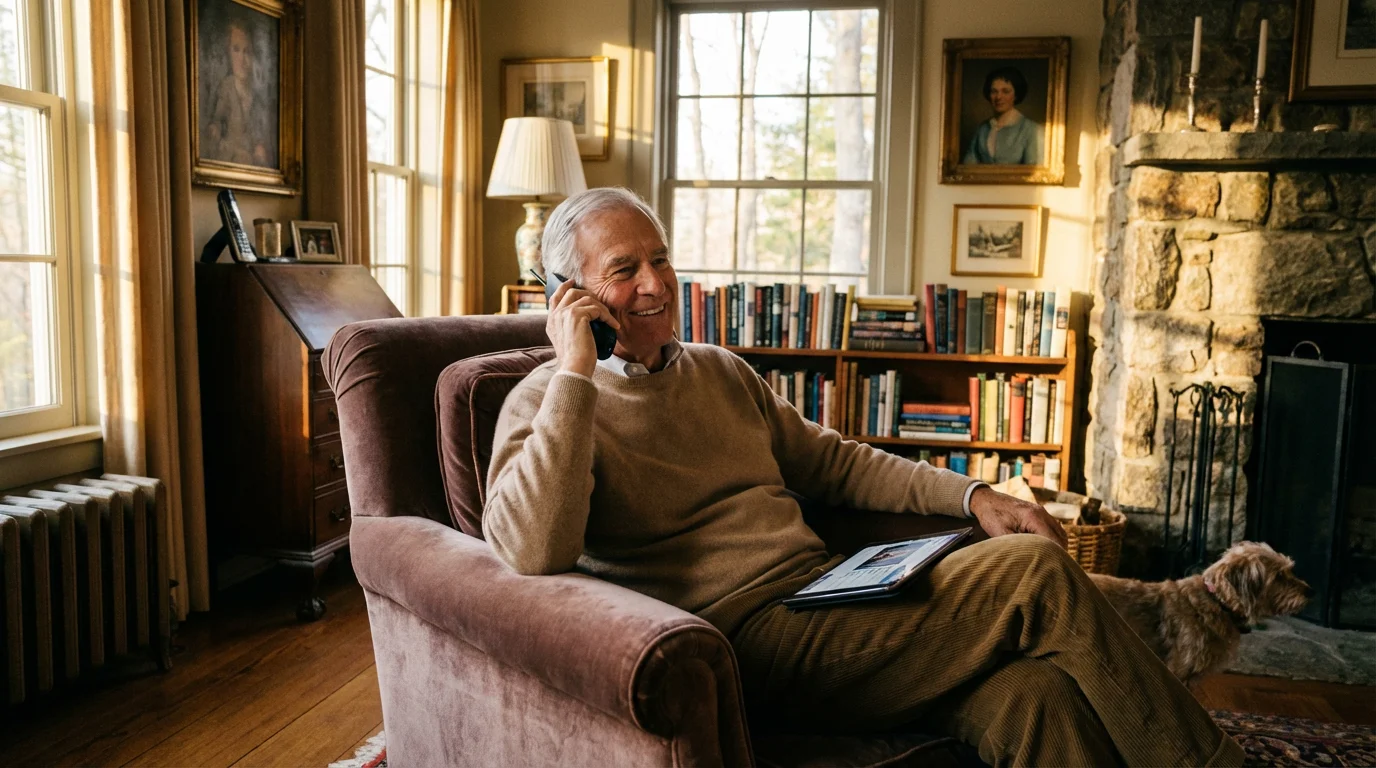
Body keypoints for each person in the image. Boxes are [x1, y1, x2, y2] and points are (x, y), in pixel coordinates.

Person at [483, 187, 1243, 767]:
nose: (656, 283)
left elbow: (839, 462)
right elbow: (532, 551)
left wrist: (976, 496)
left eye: (661, 258)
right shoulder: (548, 402)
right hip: (742, 647)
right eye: (624, 270)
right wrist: (575, 374)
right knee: (1036, 572)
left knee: (1032, 698)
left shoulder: (719, 372)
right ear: (568, 295)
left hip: (830, 595)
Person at [203, 20, 270, 167]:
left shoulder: (256, 96)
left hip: (249, 162)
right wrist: (214, 130)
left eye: (247, 52)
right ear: (228, 53)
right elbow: (217, 123)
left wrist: (259, 147)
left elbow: (258, 133)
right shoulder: (226, 88)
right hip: (229, 155)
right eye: (236, 50)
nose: (242, 59)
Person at [962, 66, 1044, 166]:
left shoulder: (1032, 129)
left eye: (1006, 91)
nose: (998, 97)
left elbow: (1034, 173)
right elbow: (968, 167)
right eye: (994, 91)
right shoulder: (983, 129)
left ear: (1016, 95)